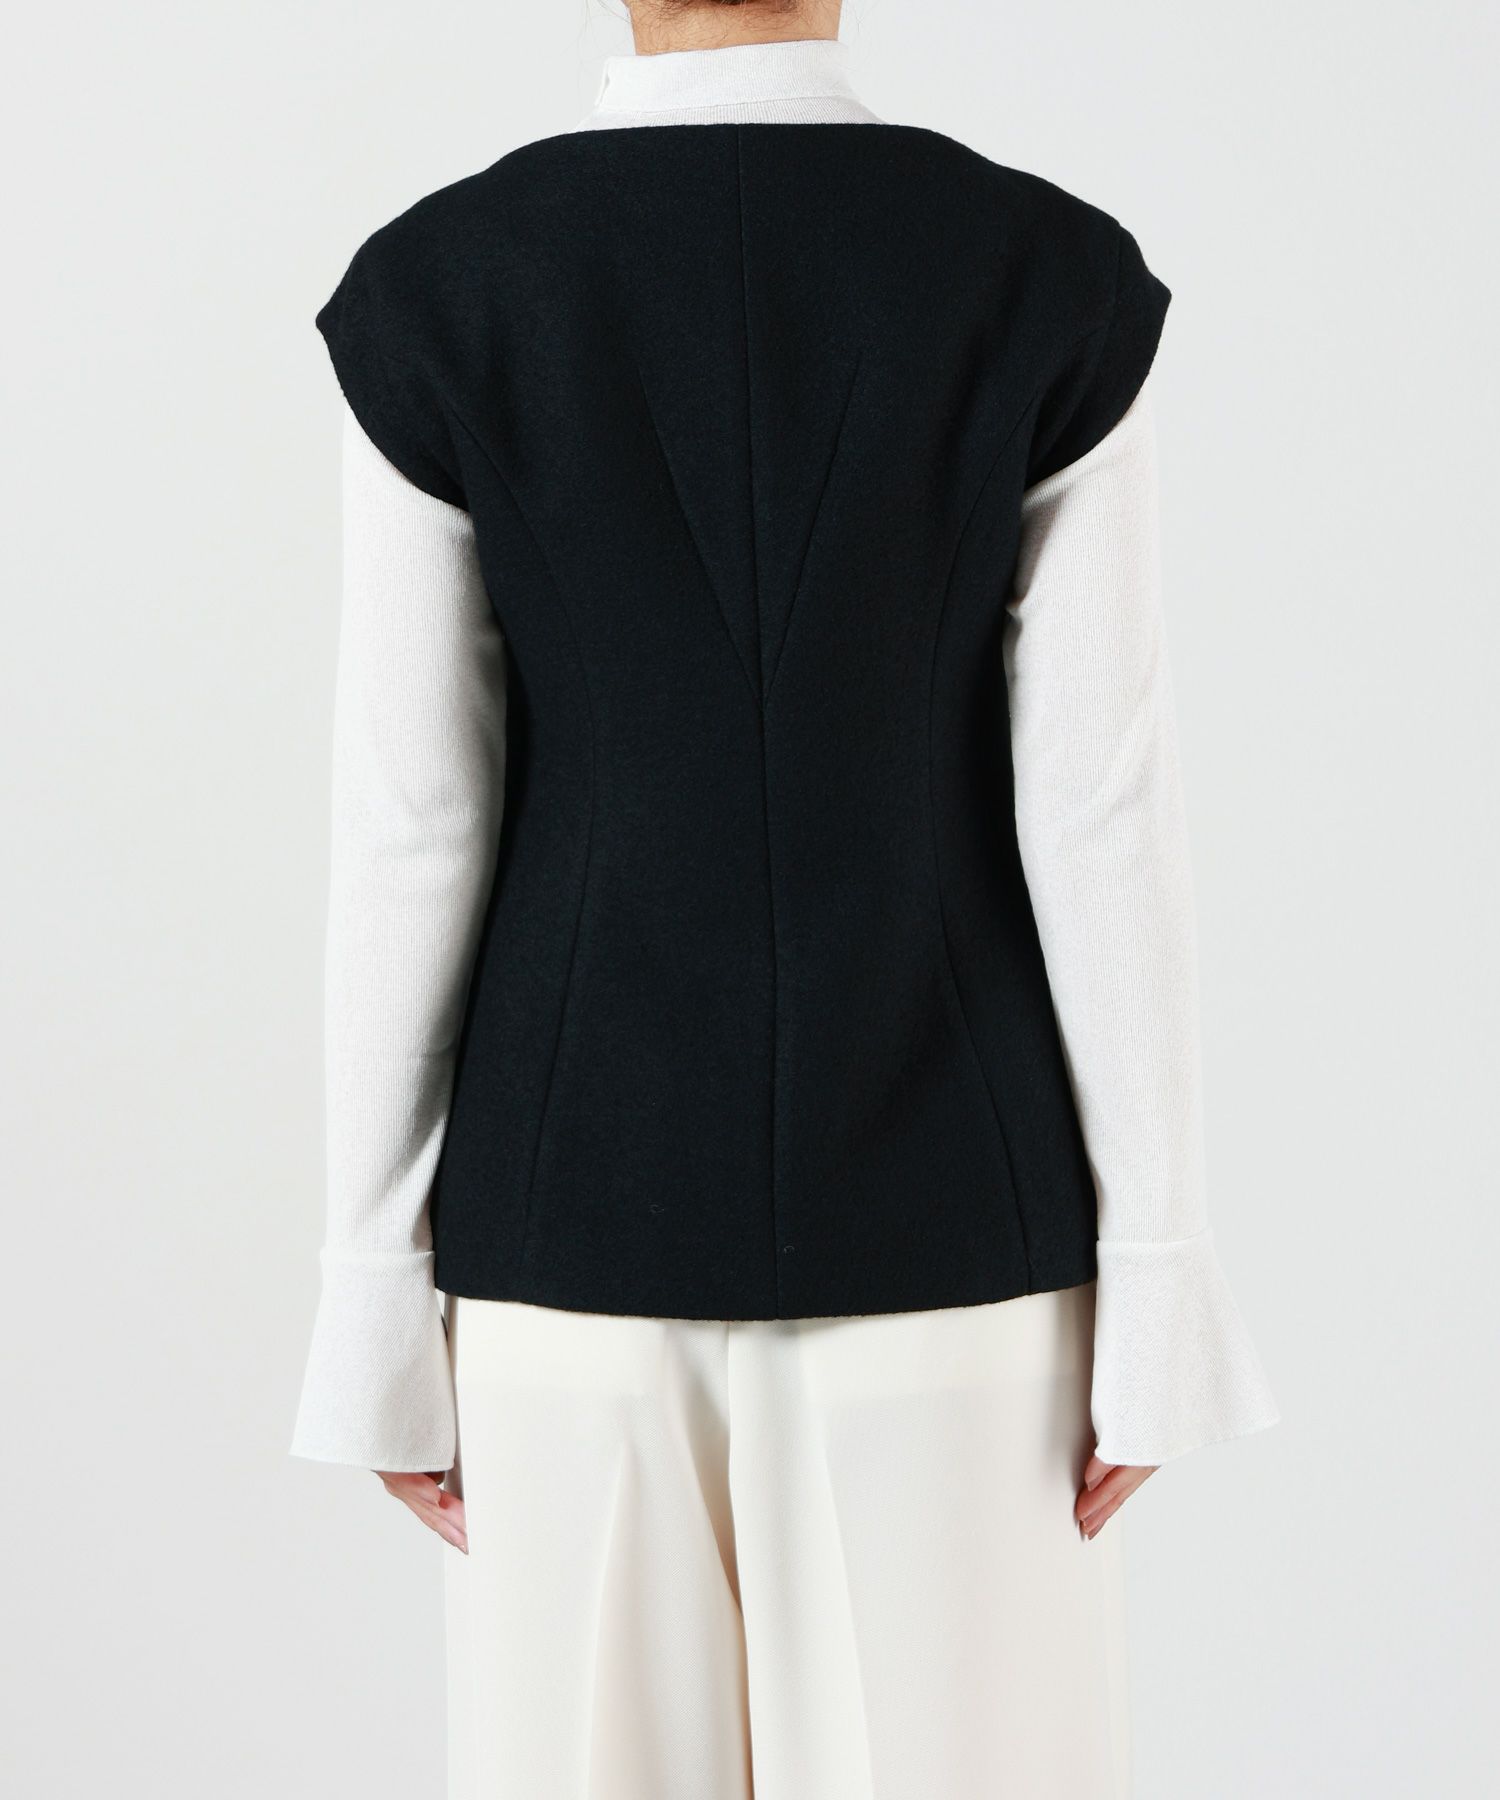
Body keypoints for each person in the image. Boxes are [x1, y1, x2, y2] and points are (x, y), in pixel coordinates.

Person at [290, 2, 1280, 1793]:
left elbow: (413, 819)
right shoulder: (1037, 276)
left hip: (563, 1251)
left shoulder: (448, 290)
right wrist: (1159, 1273)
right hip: (958, 1248)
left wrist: (371, 1287)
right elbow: (1101, 806)